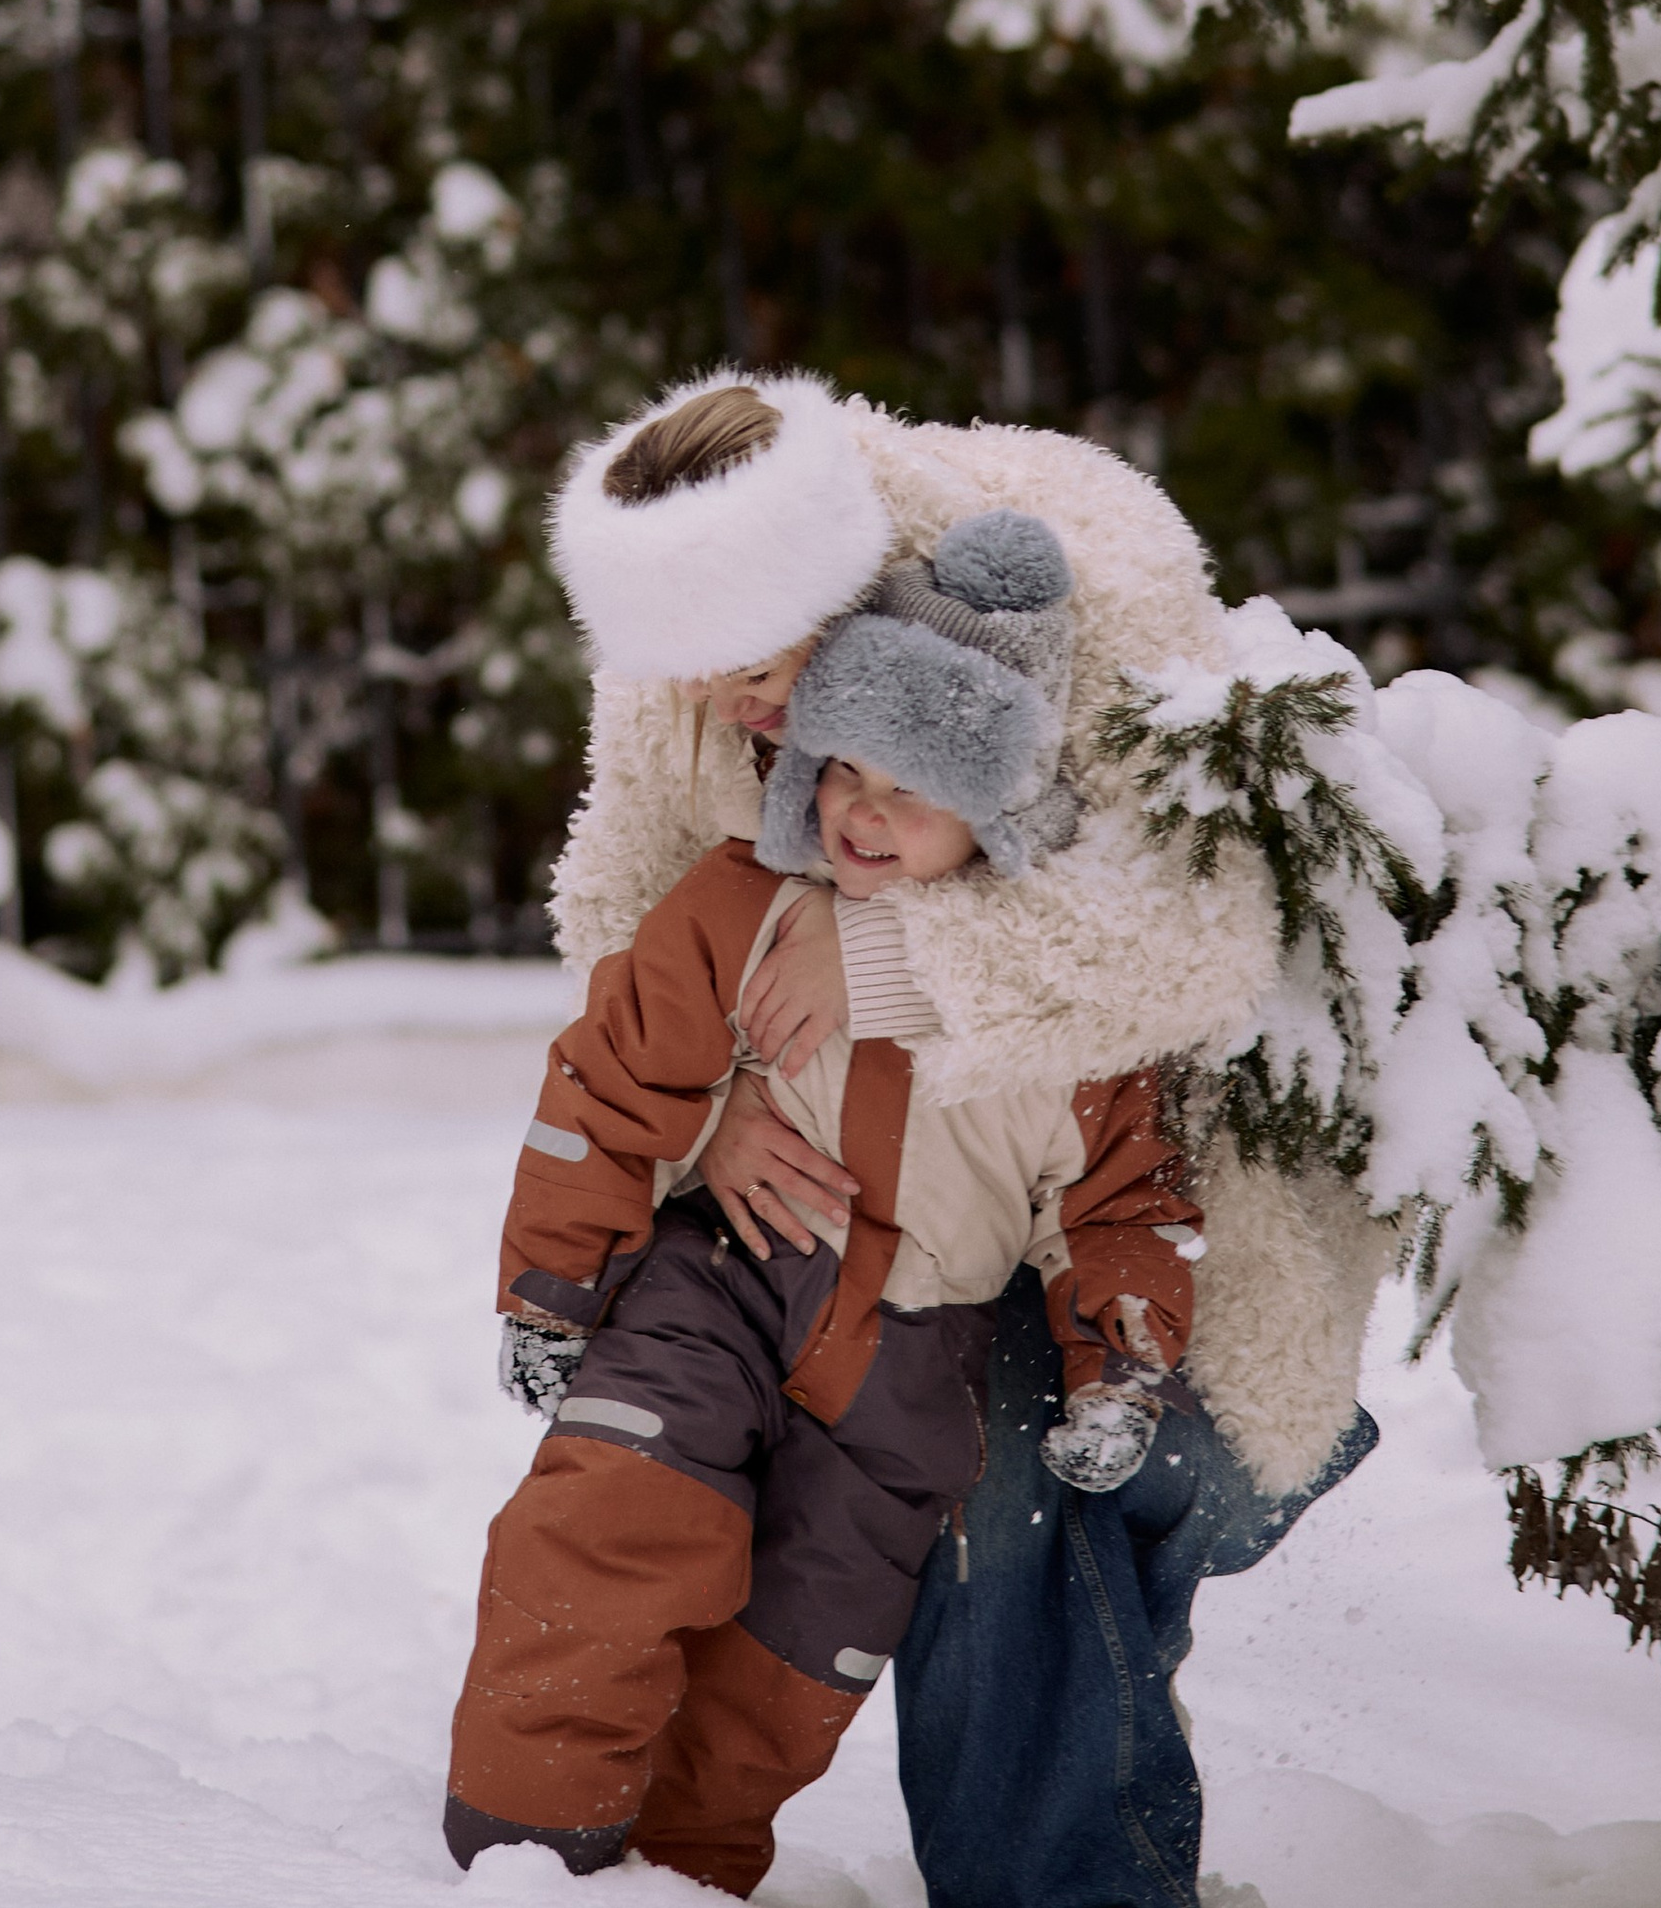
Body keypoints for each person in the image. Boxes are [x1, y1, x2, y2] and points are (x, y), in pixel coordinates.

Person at [532, 371, 1385, 1907]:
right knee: (691, 1458)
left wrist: (888, 964)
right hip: (839, 1188)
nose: (728, 705)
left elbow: (1203, 930)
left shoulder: (1096, 558)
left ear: (833, 579)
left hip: (1129, 1181)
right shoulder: (693, 652)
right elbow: (619, 899)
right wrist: (712, 1112)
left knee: (1009, 1491)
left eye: (755, 663)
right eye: (693, 670)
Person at [444, 513, 1207, 1892]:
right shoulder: (740, 908)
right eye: (842, 766)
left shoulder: (1065, 1012)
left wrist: (1118, 1366)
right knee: (606, 1521)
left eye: (908, 787)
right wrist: (552, 1285)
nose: (858, 808)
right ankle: (525, 1853)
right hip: (717, 1284)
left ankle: (680, 1873)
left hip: (912, 1367)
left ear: (1002, 809)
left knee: (798, 1655)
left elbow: (1120, 1206)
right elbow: (610, 1082)